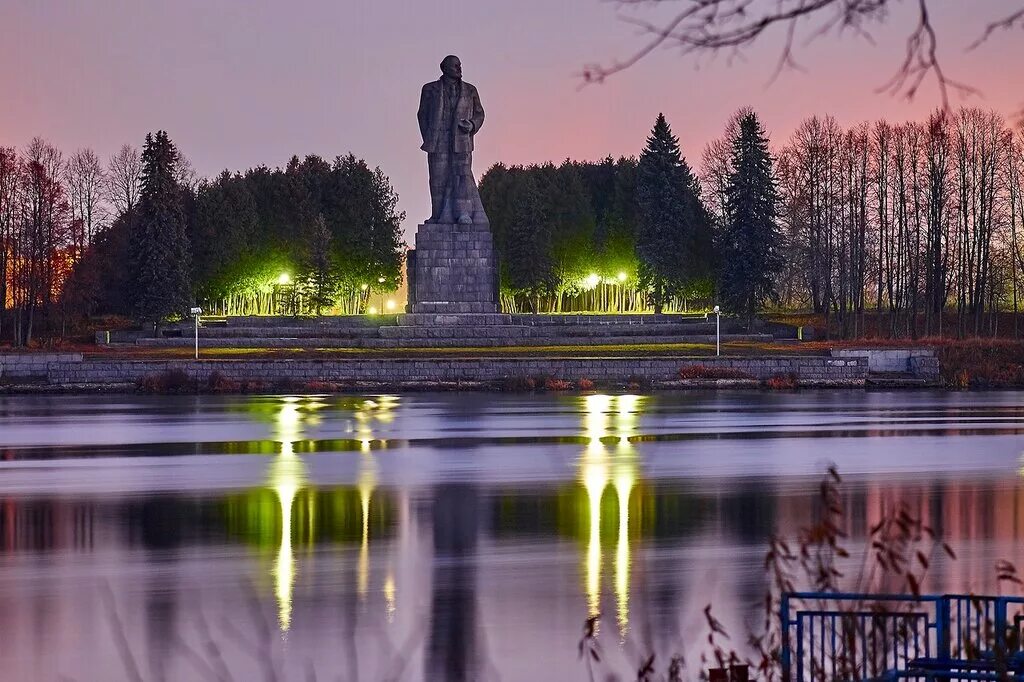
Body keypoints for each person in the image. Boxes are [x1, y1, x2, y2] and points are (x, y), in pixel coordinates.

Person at [417, 55, 487, 225]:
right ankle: (437, 215)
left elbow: (480, 114)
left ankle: (463, 214)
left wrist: (472, 125)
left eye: (460, 65)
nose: (459, 69)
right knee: (437, 178)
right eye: (456, 65)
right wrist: (429, 135)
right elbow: (422, 114)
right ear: (445, 68)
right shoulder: (430, 89)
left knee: (462, 177)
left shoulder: (470, 90)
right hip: (437, 140)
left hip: (462, 141)